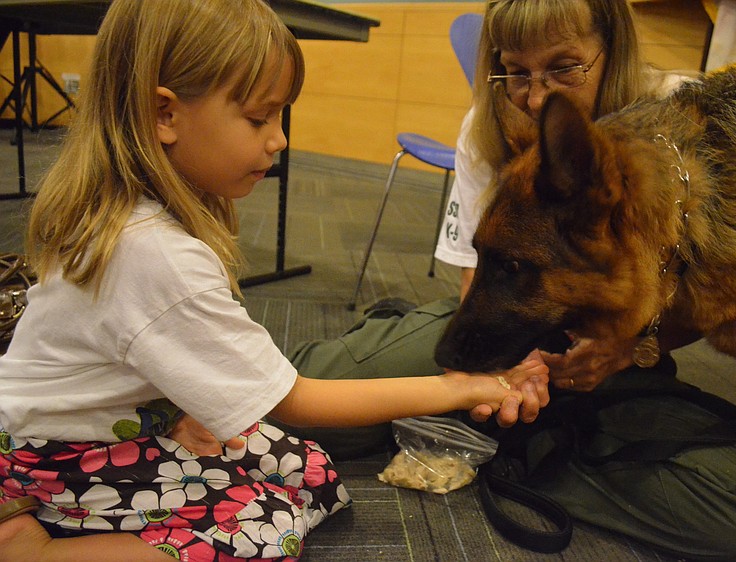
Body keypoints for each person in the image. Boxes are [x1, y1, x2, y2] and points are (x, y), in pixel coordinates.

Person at [0, 1, 551, 560]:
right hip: (56, 457)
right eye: (259, 119)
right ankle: (30, 548)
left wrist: (185, 409)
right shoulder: (152, 253)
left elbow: (137, 349)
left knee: (307, 471)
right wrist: (464, 386)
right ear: (164, 114)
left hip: (115, 422)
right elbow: (297, 400)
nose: (279, 140)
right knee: (266, 530)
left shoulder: (141, 219)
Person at [283, 1, 736, 560]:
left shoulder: (685, 122)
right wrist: (510, 369)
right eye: (516, 72)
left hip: (620, 354)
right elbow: (480, 285)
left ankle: (516, 446)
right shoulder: (489, 126)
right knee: (293, 411)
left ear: (612, 50)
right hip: (506, 318)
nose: (538, 96)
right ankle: (438, 372)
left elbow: (714, 296)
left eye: (565, 67)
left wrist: (626, 351)